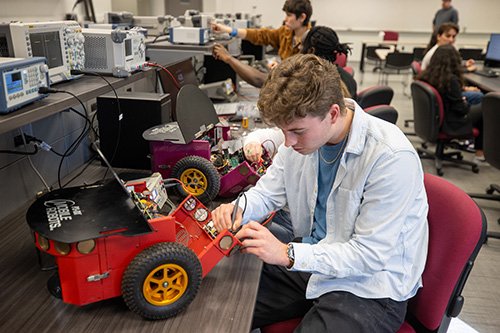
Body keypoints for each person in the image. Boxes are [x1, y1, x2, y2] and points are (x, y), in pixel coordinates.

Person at [211, 54, 429, 331]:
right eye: (283, 131)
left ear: (333, 113)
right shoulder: (303, 140)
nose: (288, 143)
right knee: (221, 303)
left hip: (370, 285)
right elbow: (267, 194)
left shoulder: (391, 157)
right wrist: (238, 208)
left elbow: (369, 255)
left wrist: (287, 254)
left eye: (297, 132)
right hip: (313, 261)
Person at [213, 25, 357, 97]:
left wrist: (228, 58)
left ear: (311, 51)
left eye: (301, 45)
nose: (298, 48)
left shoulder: (310, 79)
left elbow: (259, 79)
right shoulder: (348, 78)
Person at [419, 44, 485, 163]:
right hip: (451, 122)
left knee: (478, 100)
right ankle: (480, 151)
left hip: (436, 119)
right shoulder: (451, 80)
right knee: (486, 106)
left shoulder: (428, 75)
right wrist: (463, 101)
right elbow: (462, 109)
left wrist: (461, 96)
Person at [212, 0, 312, 61]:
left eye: (289, 15)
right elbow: (260, 35)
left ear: (302, 17)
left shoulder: (312, 42)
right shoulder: (285, 33)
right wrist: (228, 30)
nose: (285, 19)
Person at [421, 22, 483, 106]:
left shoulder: (442, 51)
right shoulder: (435, 54)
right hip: (444, 97)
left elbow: (444, 74)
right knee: (482, 97)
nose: (451, 40)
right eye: (447, 36)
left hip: (442, 91)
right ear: (439, 36)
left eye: (453, 37)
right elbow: (445, 81)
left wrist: (464, 65)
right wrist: (464, 88)